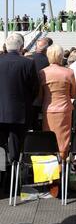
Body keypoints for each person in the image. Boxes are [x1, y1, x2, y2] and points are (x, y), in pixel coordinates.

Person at [0, 33, 39, 162]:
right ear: (21, 47)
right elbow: (35, 88)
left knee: (1, 148)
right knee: (16, 147)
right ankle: (13, 174)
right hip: (20, 112)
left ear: (5, 46)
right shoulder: (28, 64)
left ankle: (3, 176)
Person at [40, 44, 76, 159]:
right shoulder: (69, 72)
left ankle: (50, 169)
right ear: (61, 56)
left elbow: (40, 95)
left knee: (48, 140)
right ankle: (63, 166)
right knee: (63, 140)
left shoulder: (42, 73)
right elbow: (73, 94)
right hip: (64, 110)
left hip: (48, 109)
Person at [31, 38, 50, 130]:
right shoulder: (49, 61)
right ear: (46, 49)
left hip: (32, 96)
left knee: (33, 121)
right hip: (46, 95)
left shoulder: (29, 59)